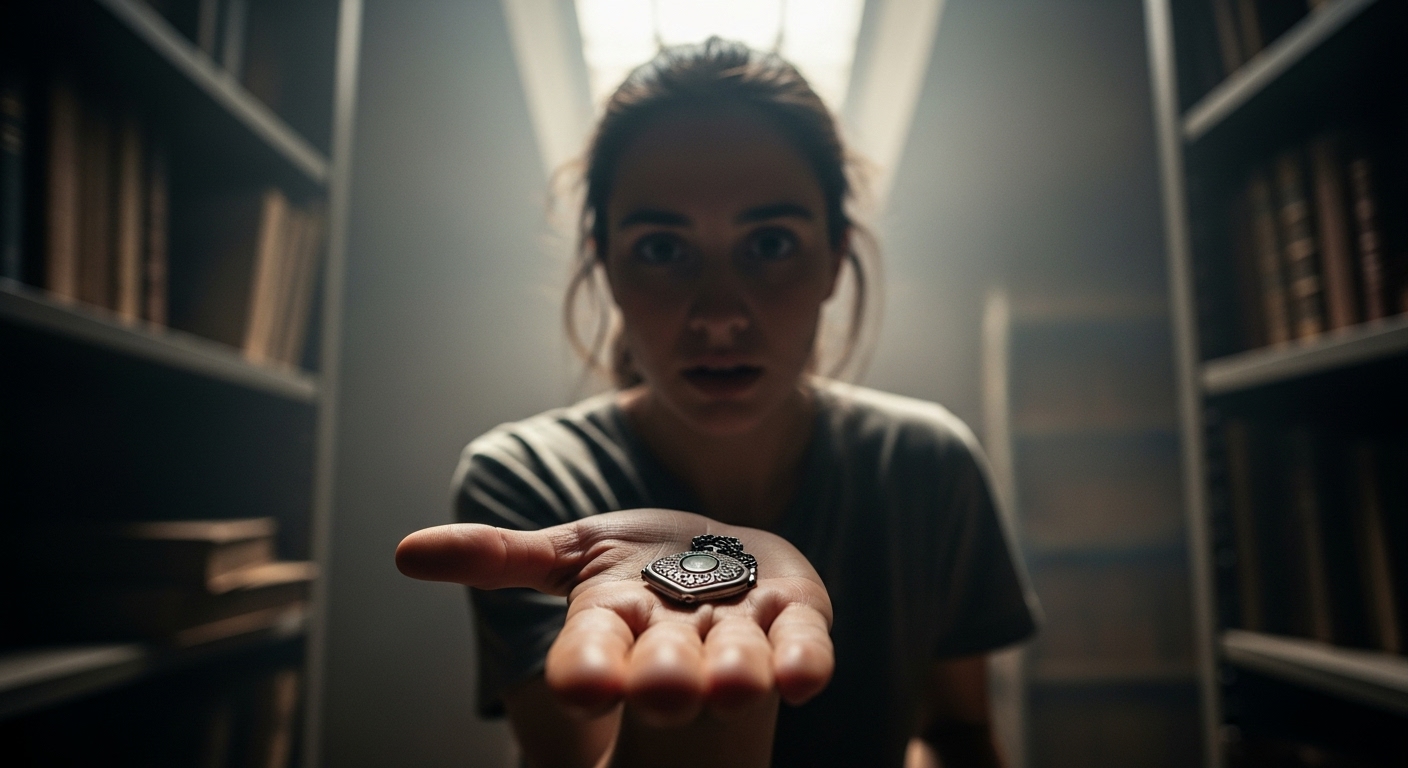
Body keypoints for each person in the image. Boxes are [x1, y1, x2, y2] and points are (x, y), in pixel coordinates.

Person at [395, 38, 1038, 768]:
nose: (720, 315)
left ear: (834, 257)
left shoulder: (930, 465)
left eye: (769, 243)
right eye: (664, 250)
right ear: (606, 265)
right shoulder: (528, 480)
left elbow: (961, 735)